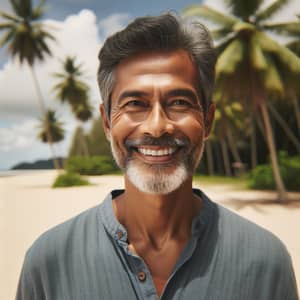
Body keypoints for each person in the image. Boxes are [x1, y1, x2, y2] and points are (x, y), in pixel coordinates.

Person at [16, 13, 298, 300]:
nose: (157, 125)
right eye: (135, 103)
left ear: (208, 121)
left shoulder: (266, 262)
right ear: (107, 122)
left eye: (179, 102)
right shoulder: (48, 263)